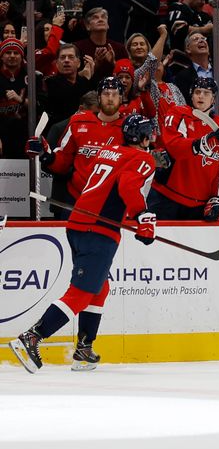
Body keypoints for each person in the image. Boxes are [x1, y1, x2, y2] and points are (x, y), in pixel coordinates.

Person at [9, 114, 158, 374]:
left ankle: (84, 349)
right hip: (99, 230)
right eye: (151, 134)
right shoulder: (143, 158)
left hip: (78, 224)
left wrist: (48, 156)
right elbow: (128, 186)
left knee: (99, 288)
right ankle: (32, 337)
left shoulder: (108, 152)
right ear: (144, 138)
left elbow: (87, 180)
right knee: (81, 293)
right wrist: (142, 216)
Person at [29, 77, 126, 215]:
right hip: (76, 200)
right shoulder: (78, 122)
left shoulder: (129, 127)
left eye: (115, 94)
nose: (110, 98)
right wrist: (47, 156)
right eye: (105, 93)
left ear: (121, 98)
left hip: (111, 202)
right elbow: (63, 161)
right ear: (99, 97)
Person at [148, 77, 219, 220]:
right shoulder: (178, 113)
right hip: (167, 197)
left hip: (199, 203)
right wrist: (202, 144)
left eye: (206, 93)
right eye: (197, 92)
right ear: (191, 95)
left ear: (213, 99)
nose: (201, 96)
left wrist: (218, 198)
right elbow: (175, 147)